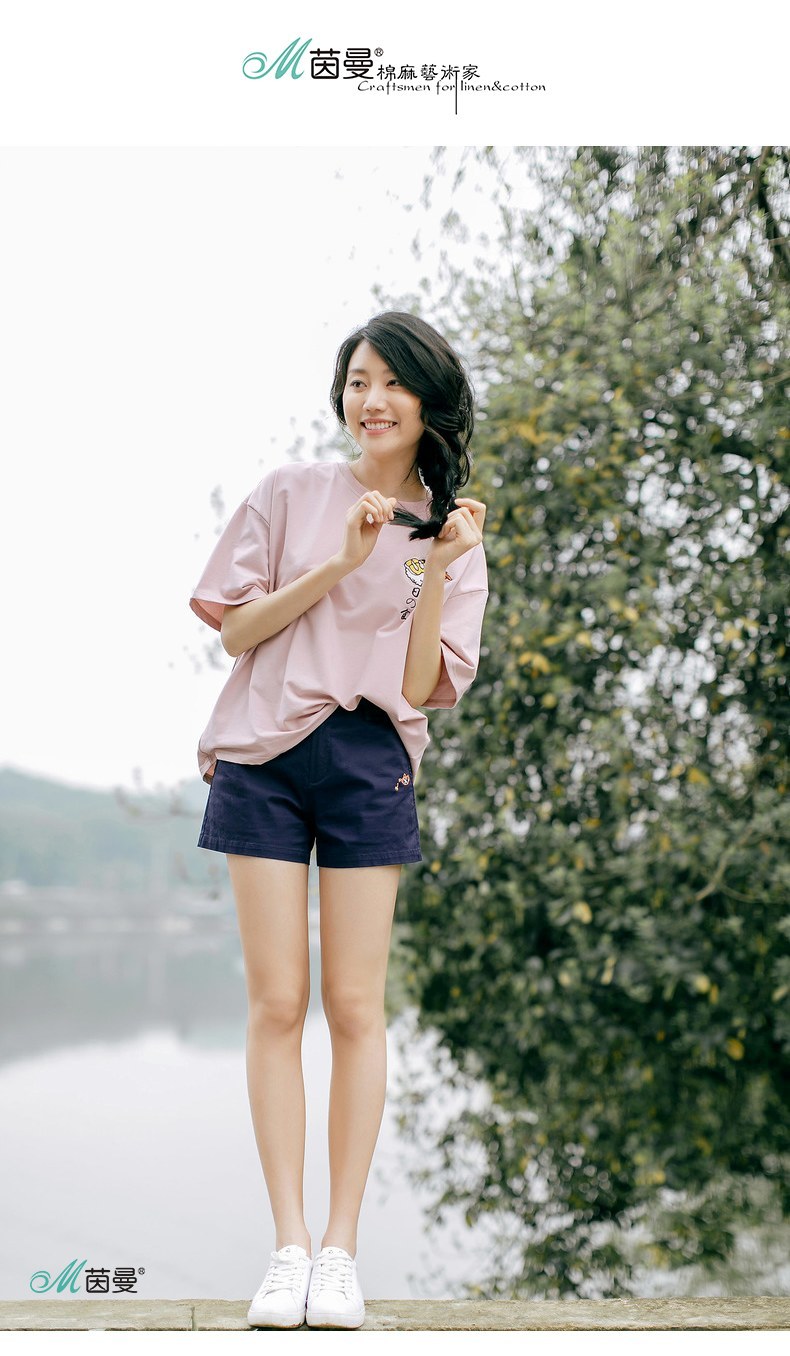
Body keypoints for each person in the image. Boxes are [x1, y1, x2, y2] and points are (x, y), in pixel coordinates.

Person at [188, 310, 489, 1329]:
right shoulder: (289, 493)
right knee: (277, 1003)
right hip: (263, 754)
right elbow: (236, 633)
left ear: (428, 403)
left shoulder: (451, 536)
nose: (372, 399)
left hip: (368, 758)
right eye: (359, 380)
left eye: (393, 383)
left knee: (356, 1007)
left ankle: (340, 1253)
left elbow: (421, 681)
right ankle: (288, 1248)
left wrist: (433, 564)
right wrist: (337, 562)